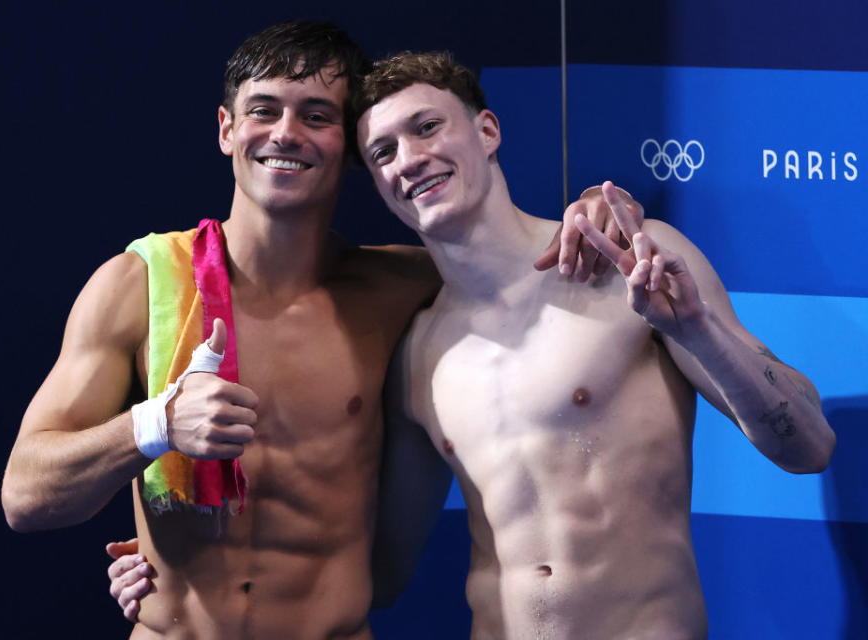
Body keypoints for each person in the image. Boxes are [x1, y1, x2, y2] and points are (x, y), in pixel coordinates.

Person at [109, 51, 836, 639]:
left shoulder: (628, 264)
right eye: (384, 150)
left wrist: (696, 329)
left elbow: (808, 447)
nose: (409, 158)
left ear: (487, 131)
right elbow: (378, 572)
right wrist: (172, 569)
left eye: (428, 128)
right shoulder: (420, 347)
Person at [2, 22, 619, 639]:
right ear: (226, 129)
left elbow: (520, 260)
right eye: (263, 111)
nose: (285, 134)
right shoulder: (138, 283)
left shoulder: (399, 291)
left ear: (348, 145)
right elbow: (24, 497)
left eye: (316, 115)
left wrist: (602, 210)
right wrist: (156, 424)